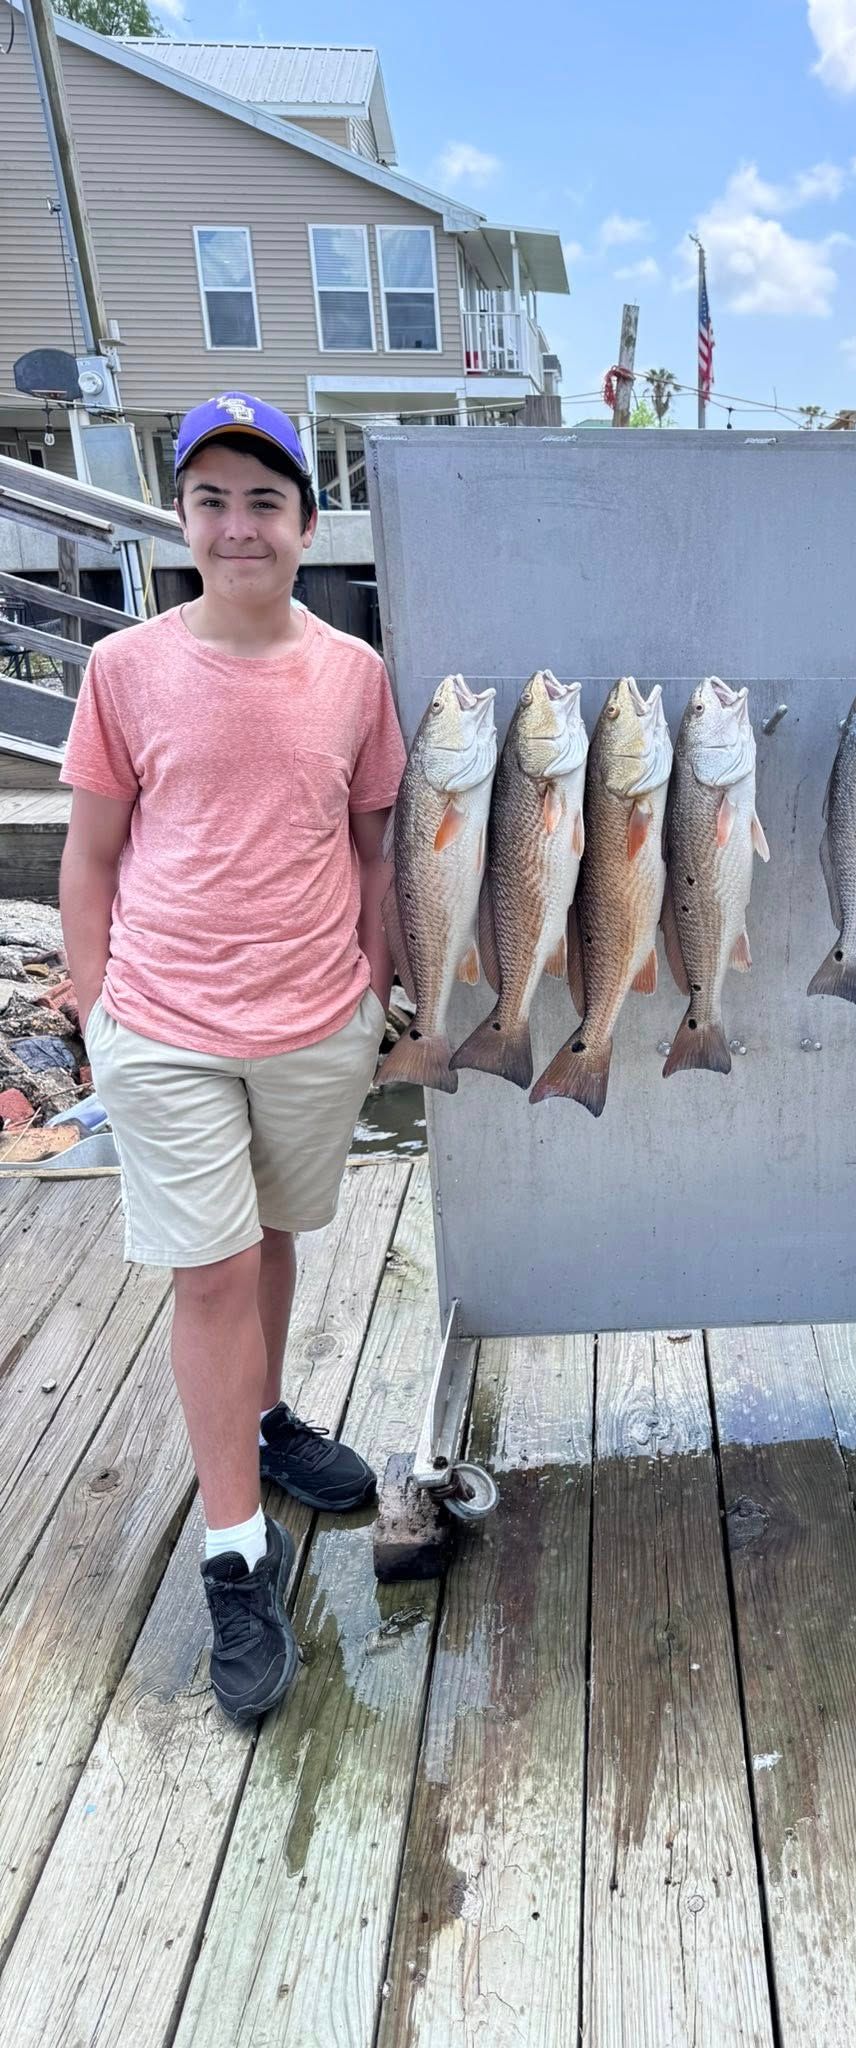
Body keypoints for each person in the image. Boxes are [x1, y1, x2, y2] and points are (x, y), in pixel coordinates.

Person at [59, 392, 406, 1717]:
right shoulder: (124, 670)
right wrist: (100, 1018)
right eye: (211, 498)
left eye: (265, 500)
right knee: (205, 1272)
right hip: (165, 1024)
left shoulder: (356, 675)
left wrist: (371, 993)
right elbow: (90, 861)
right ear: (181, 519)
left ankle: (264, 1425)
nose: (238, 524)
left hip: (315, 1023)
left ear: (307, 524)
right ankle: (233, 1549)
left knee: (266, 1239)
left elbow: (372, 849)